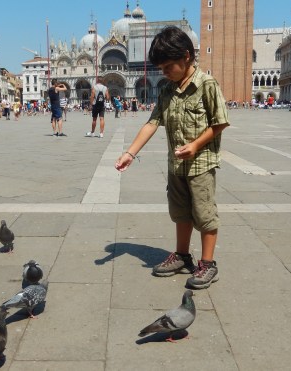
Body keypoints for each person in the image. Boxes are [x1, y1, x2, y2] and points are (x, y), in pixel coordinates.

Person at [115, 26, 230, 290]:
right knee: (180, 213)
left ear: (186, 57)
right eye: (161, 68)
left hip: (200, 164)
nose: (164, 72)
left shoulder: (206, 85)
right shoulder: (167, 89)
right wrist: (130, 153)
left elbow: (220, 122)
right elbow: (152, 122)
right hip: (176, 165)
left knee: (204, 214)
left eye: (168, 67)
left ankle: (208, 264)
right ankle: (182, 255)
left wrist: (196, 145)